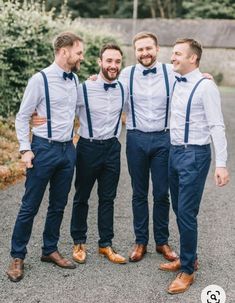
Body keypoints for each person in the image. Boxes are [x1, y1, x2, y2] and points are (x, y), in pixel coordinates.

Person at [6, 32, 84, 282]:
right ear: (64, 51)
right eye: (78, 52)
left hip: (66, 150)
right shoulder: (39, 80)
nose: (81, 56)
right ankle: (18, 256)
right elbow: (22, 116)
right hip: (43, 149)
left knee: (59, 205)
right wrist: (25, 149)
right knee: (30, 205)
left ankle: (49, 249)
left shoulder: (75, 79)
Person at [159, 38, 229, 294]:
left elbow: (217, 126)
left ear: (193, 59)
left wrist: (221, 163)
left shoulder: (205, 87)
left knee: (186, 212)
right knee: (179, 208)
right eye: (172, 53)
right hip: (174, 152)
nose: (173, 57)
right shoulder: (176, 76)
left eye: (177, 54)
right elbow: (151, 67)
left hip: (194, 155)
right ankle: (190, 256)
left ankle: (187, 270)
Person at [119, 32, 178, 262]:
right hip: (136, 139)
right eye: (140, 49)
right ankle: (140, 241)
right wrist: (94, 81)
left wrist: (204, 77)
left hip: (164, 139)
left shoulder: (170, 73)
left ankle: (162, 242)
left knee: (162, 193)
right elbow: (111, 91)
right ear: (135, 52)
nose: (144, 53)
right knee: (139, 193)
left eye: (148, 48)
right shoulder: (127, 74)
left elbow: (190, 81)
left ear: (157, 49)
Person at [70, 44, 127, 264]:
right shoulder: (84, 88)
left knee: (108, 198)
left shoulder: (124, 88)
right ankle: (79, 242)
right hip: (88, 147)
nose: (113, 65)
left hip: (112, 147)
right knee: (81, 197)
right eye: (109, 61)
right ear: (100, 62)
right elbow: (64, 111)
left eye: (117, 61)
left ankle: (105, 244)